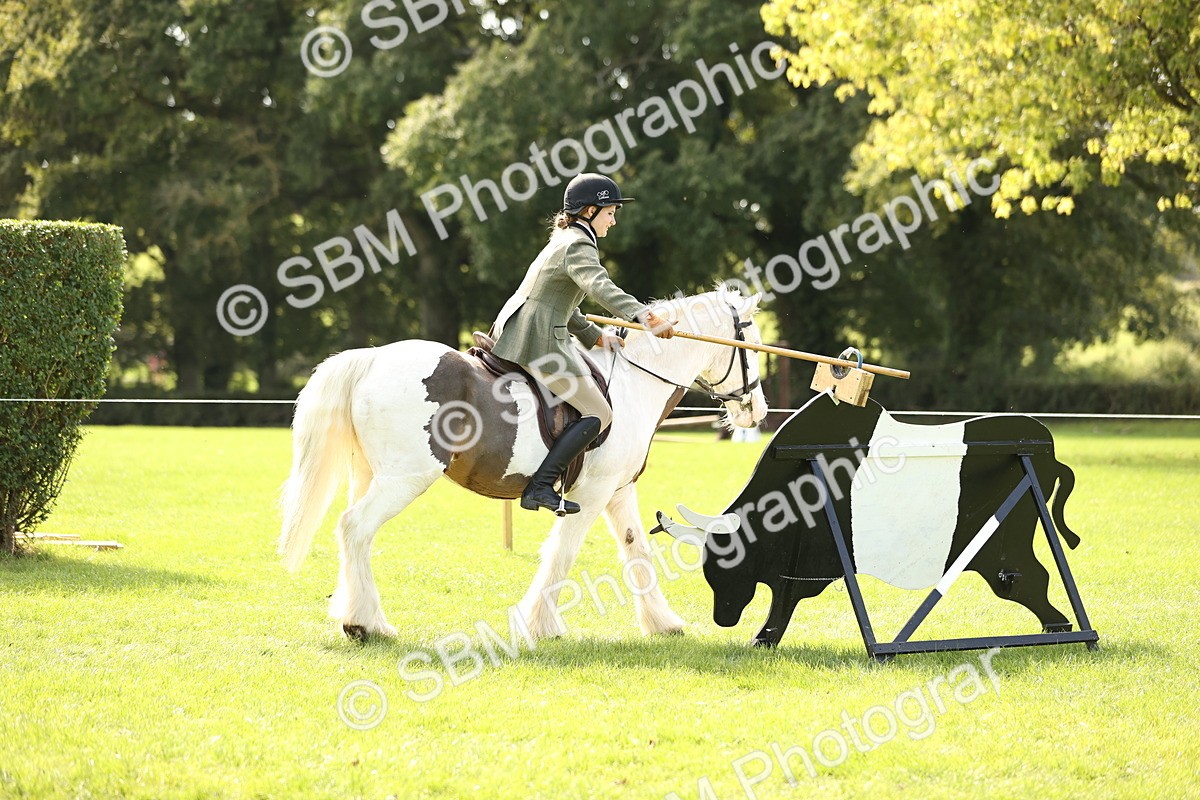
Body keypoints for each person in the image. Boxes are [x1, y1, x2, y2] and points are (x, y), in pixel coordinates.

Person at [490, 173, 675, 515]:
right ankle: (541, 486)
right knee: (600, 412)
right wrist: (646, 317)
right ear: (590, 211)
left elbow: (558, 300)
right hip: (538, 338)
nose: (614, 220)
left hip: (529, 326)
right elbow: (599, 286)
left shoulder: (564, 238)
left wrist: (594, 335)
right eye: (610, 212)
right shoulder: (579, 244)